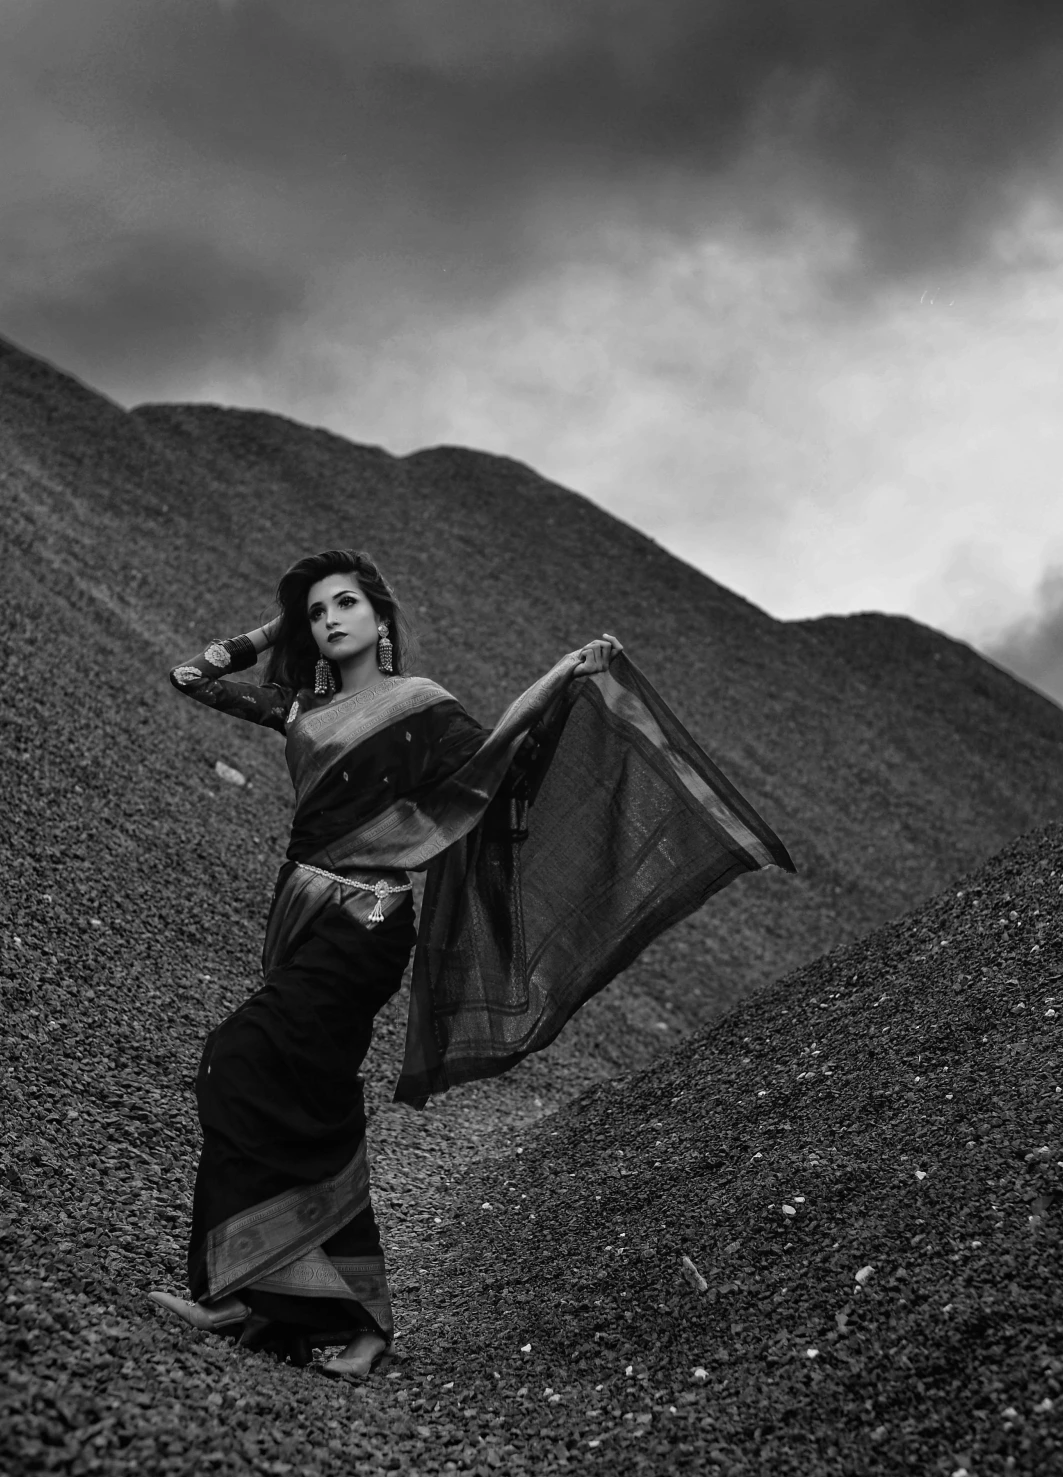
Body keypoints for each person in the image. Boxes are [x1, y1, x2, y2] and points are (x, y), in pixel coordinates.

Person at [149, 548, 789, 1378]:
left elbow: (498, 765)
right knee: (305, 1094)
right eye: (317, 613)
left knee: (237, 1060)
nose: (331, 620)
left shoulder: (418, 707)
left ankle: (256, 1296)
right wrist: (278, 622)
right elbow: (189, 676)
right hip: (301, 916)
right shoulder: (301, 706)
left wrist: (561, 677)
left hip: (363, 923)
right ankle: (291, 1304)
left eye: (346, 604)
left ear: (381, 619)